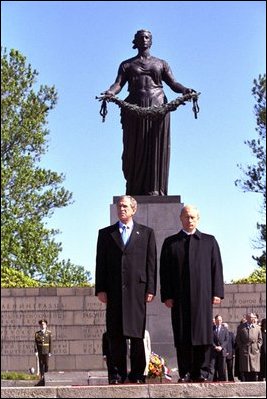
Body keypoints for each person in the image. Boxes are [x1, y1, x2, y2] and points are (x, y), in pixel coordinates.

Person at [101, 29, 194, 196]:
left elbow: (173, 83)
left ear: (151, 41)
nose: (144, 40)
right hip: (134, 108)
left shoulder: (161, 63)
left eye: (147, 37)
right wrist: (110, 92)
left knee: (155, 146)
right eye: (141, 38)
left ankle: (155, 189)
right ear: (135, 42)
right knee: (134, 148)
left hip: (158, 106)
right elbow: (118, 84)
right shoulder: (127, 65)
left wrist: (185, 90)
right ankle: (134, 189)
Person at [95, 195, 157, 384]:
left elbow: (151, 263)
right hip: (113, 291)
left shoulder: (146, 233)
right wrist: (101, 289)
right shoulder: (106, 234)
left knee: (137, 335)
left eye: (125, 206)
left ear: (133, 209)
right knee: (115, 335)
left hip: (137, 291)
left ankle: (138, 374)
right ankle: (117, 374)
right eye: (119, 206)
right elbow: (101, 263)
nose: (121, 209)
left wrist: (151, 288)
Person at [160, 204, 224, 383]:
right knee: (182, 335)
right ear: (180, 218)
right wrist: (166, 295)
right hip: (179, 298)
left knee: (203, 335)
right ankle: (185, 372)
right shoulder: (170, 242)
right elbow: (164, 272)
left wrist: (217, 292)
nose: (189, 220)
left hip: (203, 297)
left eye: (193, 217)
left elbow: (216, 268)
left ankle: (202, 372)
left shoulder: (209, 241)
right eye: (186, 217)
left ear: (198, 219)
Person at [236, 312, 262, 381]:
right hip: (245, 350)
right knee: (245, 368)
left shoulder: (258, 328)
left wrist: (257, 346)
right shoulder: (241, 327)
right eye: (250, 317)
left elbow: (260, 339)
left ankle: (254, 381)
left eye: (253, 317)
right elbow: (238, 339)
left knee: (254, 368)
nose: (251, 319)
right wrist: (241, 347)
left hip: (254, 350)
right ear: (247, 318)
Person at [210, 315, 229, 381]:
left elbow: (226, 340)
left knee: (222, 367)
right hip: (214, 351)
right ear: (215, 320)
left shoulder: (225, 329)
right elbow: (210, 340)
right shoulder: (211, 329)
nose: (219, 321)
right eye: (218, 320)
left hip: (222, 350)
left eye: (220, 320)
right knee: (213, 367)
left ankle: (222, 380)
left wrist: (221, 347)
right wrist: (215, 346)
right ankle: (213, 380)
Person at [34, 319, 52, 385]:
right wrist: (36, 351)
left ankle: (46, 375)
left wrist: (50, 351)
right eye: (41, 324)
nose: (42, 325)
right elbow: (35, 343)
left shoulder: (49, 333)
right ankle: (42, 377)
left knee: (46, 364)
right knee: (41, 364)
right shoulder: (37, 333)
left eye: (43, 324)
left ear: (46, 325)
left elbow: (50, 342)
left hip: (46, 350)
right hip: (40, 351)